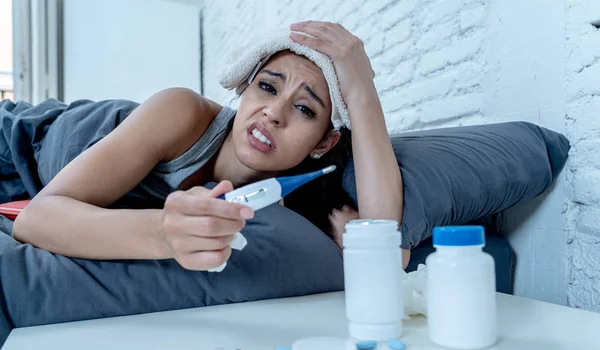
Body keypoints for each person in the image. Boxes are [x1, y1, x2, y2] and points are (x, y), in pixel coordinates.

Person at [10, 21, 410, 270]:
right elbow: (35, 220)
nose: (273, 113)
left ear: (324, 141)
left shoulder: (300, 199)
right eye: (266, 87)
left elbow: (386, 240)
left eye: (304, 109)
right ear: (244, 88)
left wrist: (362, 90)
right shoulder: (180, 111)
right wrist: (163, 235)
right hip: (17, 143)